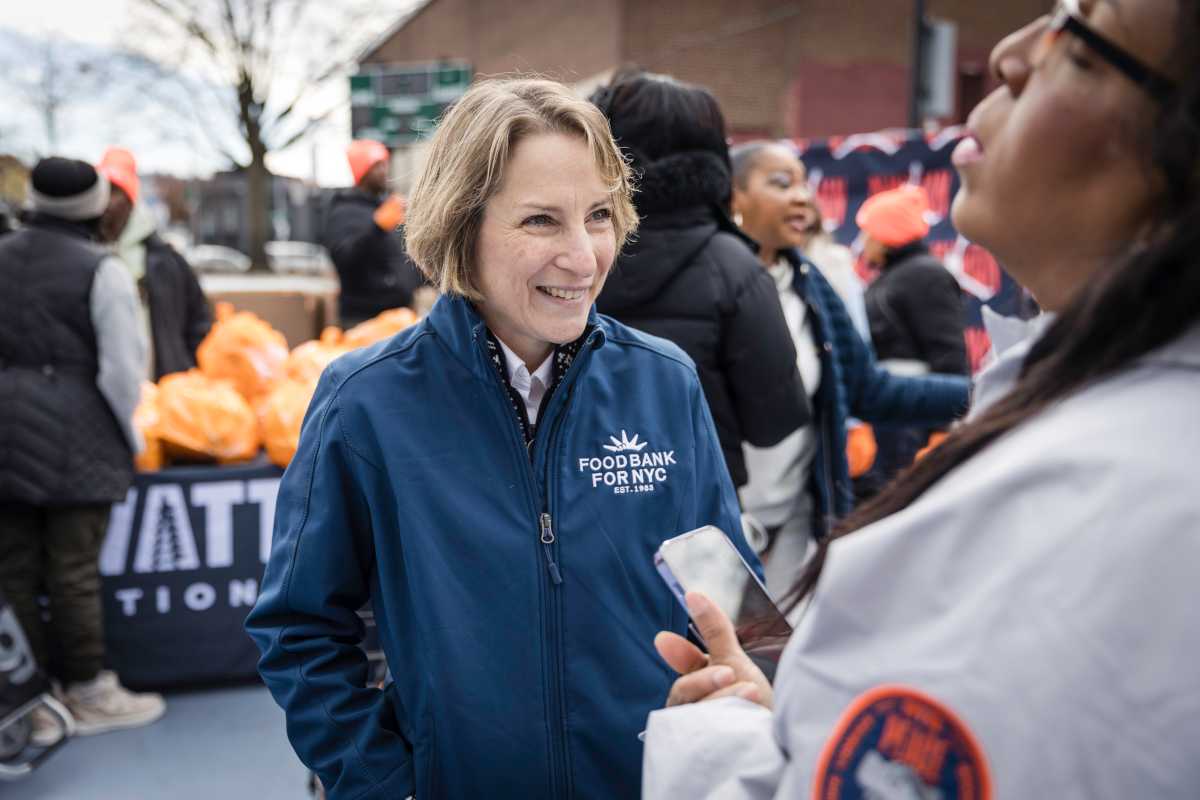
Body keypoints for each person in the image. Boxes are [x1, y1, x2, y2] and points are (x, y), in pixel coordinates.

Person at [643, 0, 1200, 797]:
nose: (1010, 54)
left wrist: (708, 742)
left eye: (1080, 39)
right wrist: (802, 724)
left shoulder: (1084, 506)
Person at [246, 77, 758, 799]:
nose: (583, 258)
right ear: (462, 225)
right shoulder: (367, 402)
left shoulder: (663, 382)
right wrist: (387, 783)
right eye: (541, 221)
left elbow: (726, 597)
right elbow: (299, 628)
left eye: (600, 215)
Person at [727, 141, 970, 594]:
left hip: (796, 524)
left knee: (772, 656)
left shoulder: (813, 286)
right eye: (782, 184)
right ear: (733, 197)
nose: (802, 196)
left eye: (804, 184)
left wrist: (982, 395)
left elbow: (866, 388)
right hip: (715, 529)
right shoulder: (705, 286)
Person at [0, 158, 165, 746]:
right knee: (72, 568)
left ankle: (28, 700)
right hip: (77, 433)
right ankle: (89, 689)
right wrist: (132, 436)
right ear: (96, 205)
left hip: (6, 432)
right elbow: (123, 370)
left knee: (14, 568)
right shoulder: (103, 270)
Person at [592, 71, 810, 492]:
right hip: (697, 513)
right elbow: (774, 422)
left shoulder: (563, 260)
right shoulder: (736, 270)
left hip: (572, 516)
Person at [859, 183, 970, 483]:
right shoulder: (897, 275)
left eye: (869, 232)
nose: (863, 242)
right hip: (897, 416)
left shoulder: (924, 275)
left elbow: (948, 351)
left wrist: (942, 424)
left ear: (887, 236)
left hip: (914, 422)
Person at [97, 147, 211, 379]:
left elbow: (199, 322)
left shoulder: (167, 261)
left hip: (161, 390)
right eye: (104, 192)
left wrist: (184, 372)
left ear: (131, 200)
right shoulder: (85, 257)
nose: (108, 203)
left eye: (116, 192)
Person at [323, 139, 426, 326]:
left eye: (385, 165)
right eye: (376, 166)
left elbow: (398, 257)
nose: (384, 172)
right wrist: (377, 227)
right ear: (362, 172)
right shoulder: (344, 210)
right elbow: (344, 259)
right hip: (363, 318)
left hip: (399, 312)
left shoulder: (387, 206)